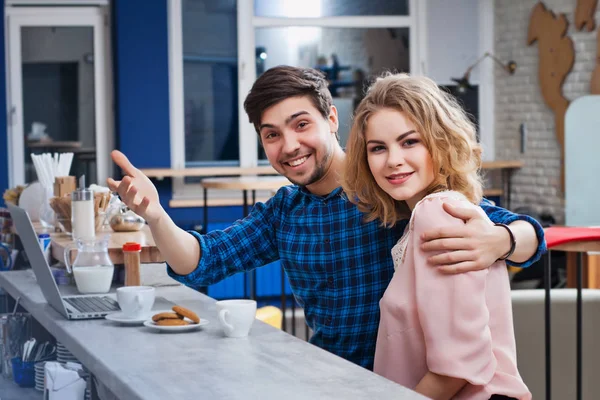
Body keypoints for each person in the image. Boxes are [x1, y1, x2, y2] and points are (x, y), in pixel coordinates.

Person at [107, 65, 545, 371]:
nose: (289, 145)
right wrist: (156, 214)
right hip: (326, 376)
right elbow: (200, 260)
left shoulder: (391, 188)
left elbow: (528, 232)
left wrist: (502, 240)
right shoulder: (284, 212)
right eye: (272, 135)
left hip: (404, 380)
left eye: (301, 124)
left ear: (332, 119)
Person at [343, 72, 531, 399]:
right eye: (377, 148)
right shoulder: (437, 211)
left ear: (439, 141)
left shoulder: (438, 212)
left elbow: (458, 367)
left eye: (409, 141)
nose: (393, 161)